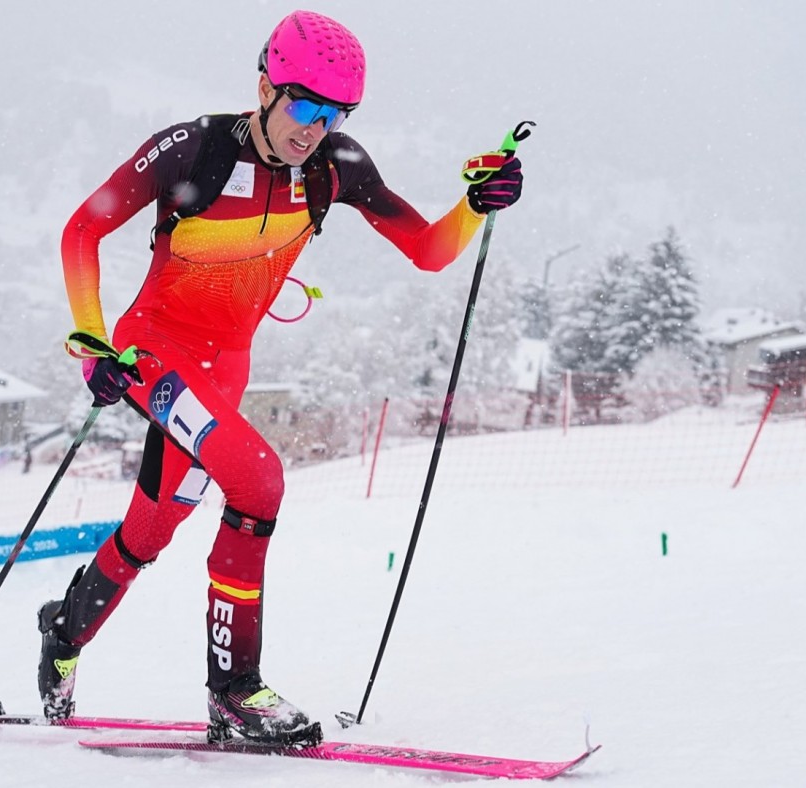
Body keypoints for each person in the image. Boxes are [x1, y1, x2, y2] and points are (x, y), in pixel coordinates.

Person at [40, 10, 524, 746]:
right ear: (265, 86)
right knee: (259, 480)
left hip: (223, 372)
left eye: (335, 113)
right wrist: (91, 343)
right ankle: (235, 690)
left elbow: (428, 251)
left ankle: (62, 632)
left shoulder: (338, 168)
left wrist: (474, 205)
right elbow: (84, 227)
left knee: (150, 530)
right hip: (154, 356)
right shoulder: (194, 148)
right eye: (303, 104)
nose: (315, 126)